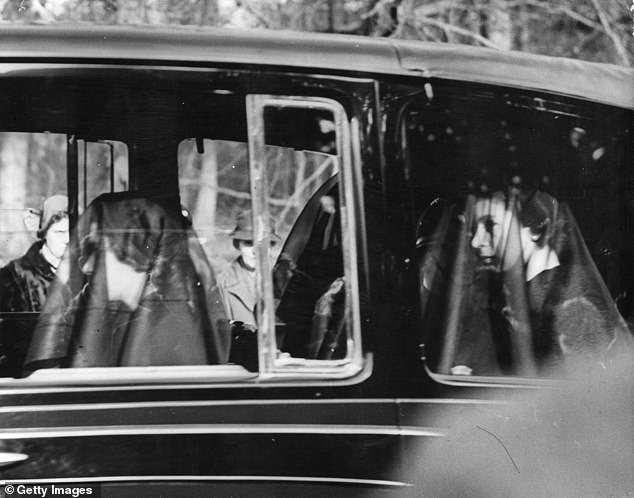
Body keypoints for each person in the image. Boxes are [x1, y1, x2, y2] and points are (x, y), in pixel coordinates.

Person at [23, 193, 231, 371]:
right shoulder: (79, 309)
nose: (86, 264)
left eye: (102, 251)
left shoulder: (175, 327)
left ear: (136, 260)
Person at [466, 189, 630, 373]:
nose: (476, 241)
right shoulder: (516, 292)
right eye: (474, 228)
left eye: (490, 225)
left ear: (535, 229)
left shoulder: (575, 306)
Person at [0, 194, 69, 313]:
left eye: (72, 231)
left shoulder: (87, 272)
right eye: (59, 232)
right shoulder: (13, 276)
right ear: (44, 233)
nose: (68, 239)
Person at [218, 209, 281, 327]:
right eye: (248, 242)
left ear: (271, 245)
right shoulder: (223, 283)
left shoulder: (283, 279)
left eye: (262, 244)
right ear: (238, 244)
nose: (255, 250)